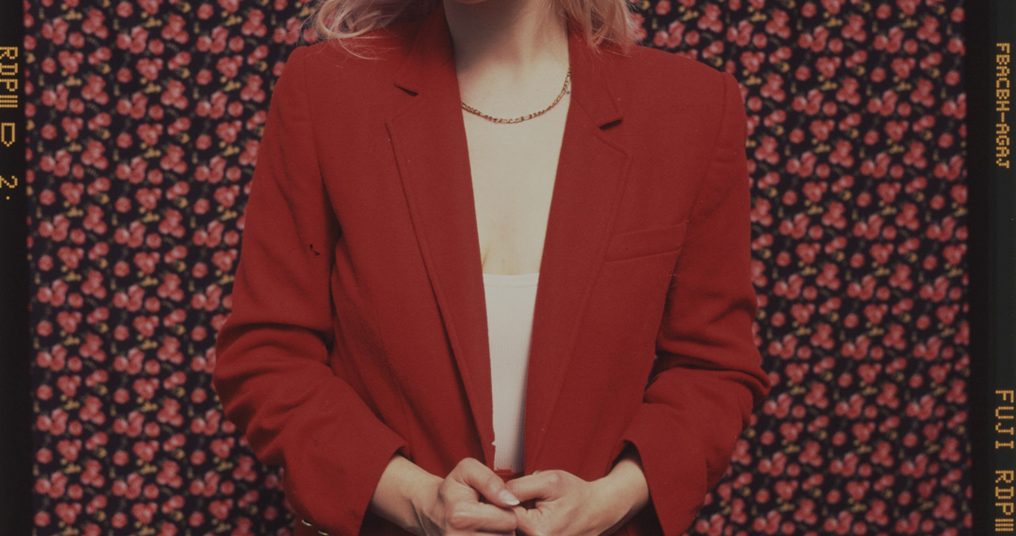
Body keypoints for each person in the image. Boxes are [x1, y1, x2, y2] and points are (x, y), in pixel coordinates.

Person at [211, 0, 773, 534]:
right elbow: (268, 355)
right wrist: (415, 500)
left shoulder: (692, 107)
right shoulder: (326, 90)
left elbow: (712, 369)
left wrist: (613, 499)